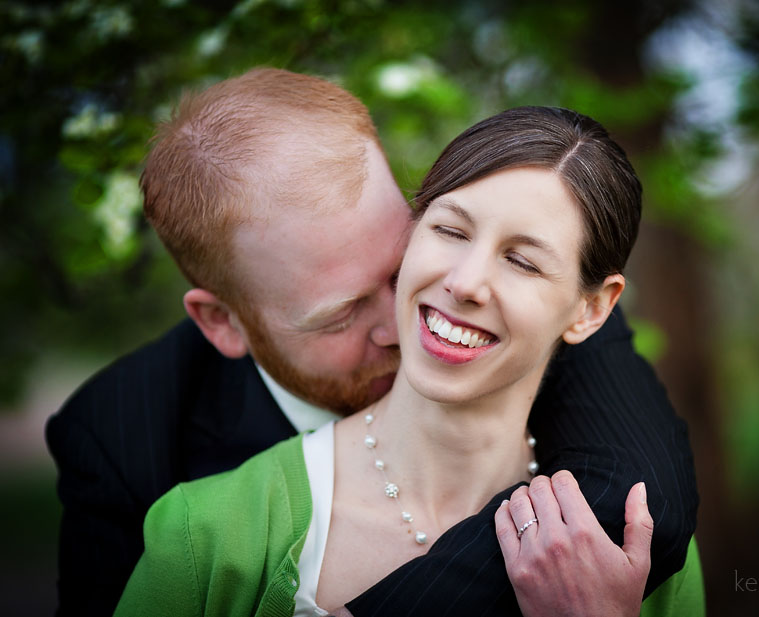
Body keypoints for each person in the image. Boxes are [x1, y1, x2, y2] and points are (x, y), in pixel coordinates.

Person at [46, 69, 699, 616]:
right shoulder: (165, 485)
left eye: (398, 263)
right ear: (223, 322)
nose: (414, 315)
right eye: (341, 315)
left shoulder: (623, 511)